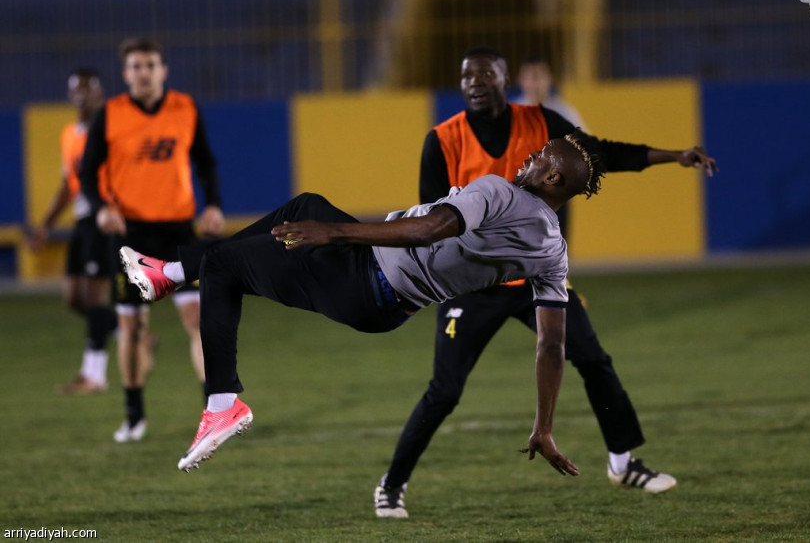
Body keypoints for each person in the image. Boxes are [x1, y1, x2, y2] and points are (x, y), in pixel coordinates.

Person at [117, 130, 606, 476]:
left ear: (553, 178)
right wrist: (544, 427)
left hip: (366, 279)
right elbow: (551, 345)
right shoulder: (554, 252)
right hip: (387, 306)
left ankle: (222, 402)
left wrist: (333, 233)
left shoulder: (499, 191)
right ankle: (170, 274)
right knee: (303, 206)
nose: (531, 155)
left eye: (542, 156)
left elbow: (429, 229)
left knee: (224, 266)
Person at [374, 47, 718, 518]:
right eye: (467, 76)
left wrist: (672, 156)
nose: (475, 82)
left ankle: (623, 463)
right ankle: (392, 484)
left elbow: (601, 154)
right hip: (474, 288)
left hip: (536, 279)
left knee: (593, 359)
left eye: (485, 74)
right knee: (445, 391)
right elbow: (432, 220)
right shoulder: (442, 139)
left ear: (505, 78)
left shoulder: (542, 122)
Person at [80, 38, 225, 443]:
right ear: (125, 74)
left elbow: (206, 162)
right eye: (136, 66)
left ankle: (214, 413)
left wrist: (214, 204)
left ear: (164, 70)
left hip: (179, 232)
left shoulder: (185, 107)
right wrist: (100, 208)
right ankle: (134, 414)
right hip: (131, 236)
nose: (143, 72)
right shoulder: (110, 114)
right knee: (131, 327)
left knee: (198, 320)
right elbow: (88, 171)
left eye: (150, 65)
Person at [29, 68, 117, 395]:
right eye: (76, 89)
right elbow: (68, 184)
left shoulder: (108, 131)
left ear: (99, 93)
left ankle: (94, 375)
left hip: (102, 217)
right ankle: (128, 333)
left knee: (94, 297)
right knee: (74, 299)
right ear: (70, 95)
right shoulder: (69, 134)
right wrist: (45, 225)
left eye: (88, 88)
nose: (82, 94)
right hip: (82, 220)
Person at [510, 56, 585, 130]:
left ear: (550, 79)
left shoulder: (564, 112)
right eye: (529, 78)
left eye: (539, 77)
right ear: (520, 80)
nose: (534, 84)